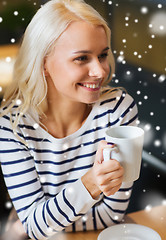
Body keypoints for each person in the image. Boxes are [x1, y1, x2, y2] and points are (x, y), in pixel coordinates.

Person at [0, 0, 138, 239]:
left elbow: (112, 215)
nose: (100, 71)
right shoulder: (11, 128)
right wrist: (90, 185)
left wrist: (36, 220)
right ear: (43, 63)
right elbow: (35, 229)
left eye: (102, 55)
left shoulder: (118, 110)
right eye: (82, 58)